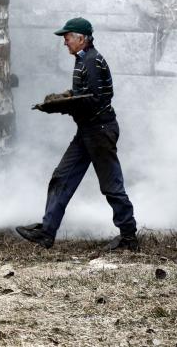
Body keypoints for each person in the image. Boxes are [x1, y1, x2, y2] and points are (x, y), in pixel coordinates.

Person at [16, 17, 139, 251]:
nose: (65, 42)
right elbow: (86, 93)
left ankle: (128, 237)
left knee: (111, 185)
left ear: (82, 39)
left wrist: (60, 105)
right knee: (62, 177)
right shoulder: (84, 59)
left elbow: (94, 100)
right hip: (88, 131)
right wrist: (66, 96)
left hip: (99, 131)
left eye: (68, 37)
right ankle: (47, 231)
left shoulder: (91, 61)